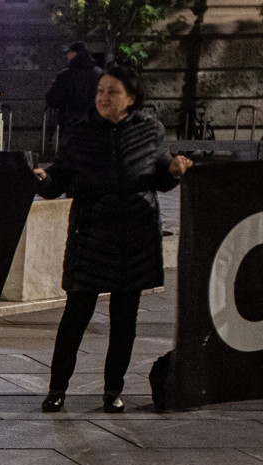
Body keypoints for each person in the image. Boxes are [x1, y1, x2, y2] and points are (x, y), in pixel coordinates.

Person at [32, 64, 191, 413]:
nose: (103, 97)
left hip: (135, 239)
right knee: (75, 316)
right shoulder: (81, 132)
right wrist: (41, 178)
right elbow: (59, 178)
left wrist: (174, 170)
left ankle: (112, 390)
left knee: (124, 320)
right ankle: (57, 389)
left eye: (112, 92)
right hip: (91, 236)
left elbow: (160, 175)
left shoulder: (150, 131)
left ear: (131, 99)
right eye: (100, 90)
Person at [45, 42, 101, 140]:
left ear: (74, 54)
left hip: (70, 123)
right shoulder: (99, 74)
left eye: (69, 52)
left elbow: (52, 99)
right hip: (94, 123)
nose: (67, 55)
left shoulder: (66, 75)